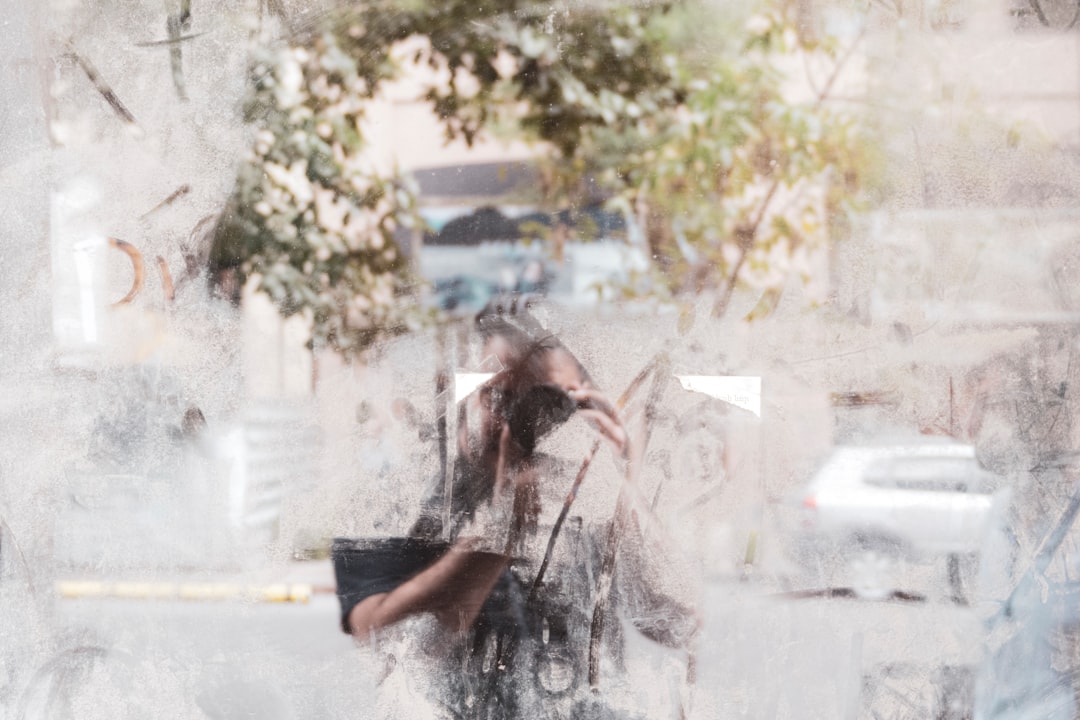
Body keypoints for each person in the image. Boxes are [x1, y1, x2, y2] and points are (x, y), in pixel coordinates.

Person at [333, 300, 698, 719]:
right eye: (499, 396)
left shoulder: (589, 503)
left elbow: (673, 621)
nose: (521, 421)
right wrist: (503, 521)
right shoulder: (426, 495)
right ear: (468, 396)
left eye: (546, 402)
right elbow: (379, 632)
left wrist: (624, 478)